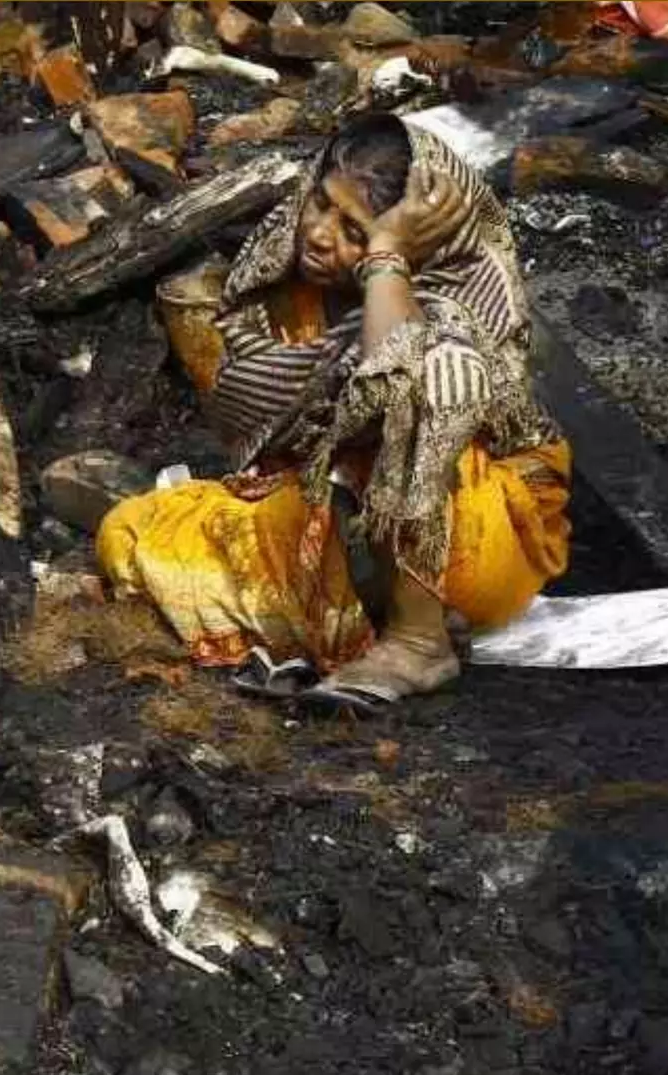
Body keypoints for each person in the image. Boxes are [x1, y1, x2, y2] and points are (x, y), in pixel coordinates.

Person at [97, 112, 572, 713]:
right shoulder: (283, 276)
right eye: (320, 202)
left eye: (354, 229)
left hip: (475, 533)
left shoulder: (451, 298)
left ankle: (418, 638)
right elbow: (264, 425)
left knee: (424, 368)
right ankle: (371, 604)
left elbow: (399, 371)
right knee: (132, 532)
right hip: (342, 519)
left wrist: (386, 259)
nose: (320, 234)